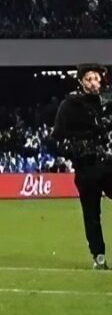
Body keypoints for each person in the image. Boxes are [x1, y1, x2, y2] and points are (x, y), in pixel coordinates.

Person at [53, 66, 109, 270]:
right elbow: (57, 136)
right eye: (89, 78)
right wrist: (76, 147)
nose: (94, 82)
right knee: (92, 214)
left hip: (107, 162)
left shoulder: (106, 103)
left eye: (97, 78)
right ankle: (99, 256)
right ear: (81, 82)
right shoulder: (70, 104)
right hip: (86, 167)